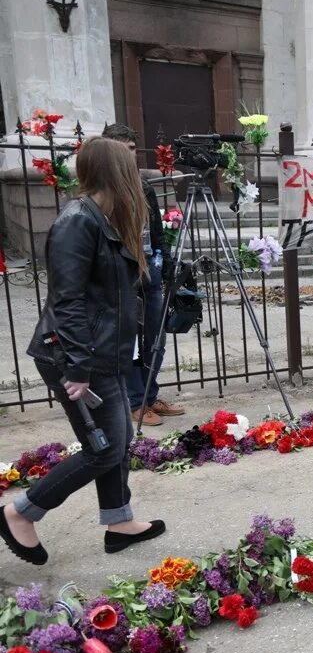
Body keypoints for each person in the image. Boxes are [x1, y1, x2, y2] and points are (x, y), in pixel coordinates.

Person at [0, 137, 167, 566]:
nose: (137, 172)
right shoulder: (78, 221)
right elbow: (67, 300)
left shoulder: (105, 218)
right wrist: (77, 367)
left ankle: (119, 520)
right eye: (130, 164)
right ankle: (20, 512)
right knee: (105, 447)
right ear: (114, 171)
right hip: (75, 357)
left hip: (100, 354)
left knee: (116, 437)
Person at [102, 123, 185, 426]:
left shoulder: (143, 186)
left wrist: (164, 259)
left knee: (155, 337)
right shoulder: (103, 191)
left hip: (150, 270)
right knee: (132, 342)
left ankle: (149, 396)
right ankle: (135, 401)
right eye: (121, 149)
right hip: (123, 277)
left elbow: (158, 231)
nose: (128, 155)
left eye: (132, 149)